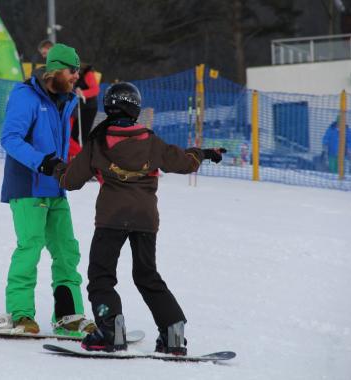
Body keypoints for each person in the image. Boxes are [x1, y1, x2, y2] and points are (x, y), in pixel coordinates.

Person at [49, 82, 226, 354]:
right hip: (145, 219)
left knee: (101, 276)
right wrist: (203, 153)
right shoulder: (150, 141)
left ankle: (110, 329)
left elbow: (70, 180)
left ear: (108, 106)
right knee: (147, 275)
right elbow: (183, 161)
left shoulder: (98, 141)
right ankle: (173, 332)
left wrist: (55, 167)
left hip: (111, 218)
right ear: (135, 109)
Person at [0, 43, 96, 335]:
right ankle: (20, 315)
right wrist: (42, 163)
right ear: (55, 70)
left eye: (78, 70)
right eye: (71, 70)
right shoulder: (26, 96)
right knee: (30, 247)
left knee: (67, 251)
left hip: (55, 188)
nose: (76, 76)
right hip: (28, 186)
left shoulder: (66, 100)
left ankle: (68, 316)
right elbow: (10, 138)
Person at [72, 63, 100, 146]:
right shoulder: (73, 74)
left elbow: (95, 90)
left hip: (89, 108)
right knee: (74, 134)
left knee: (82, 134)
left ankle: (85, 154)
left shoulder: (88, 74)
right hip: (79, 108)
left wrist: (82, 93)